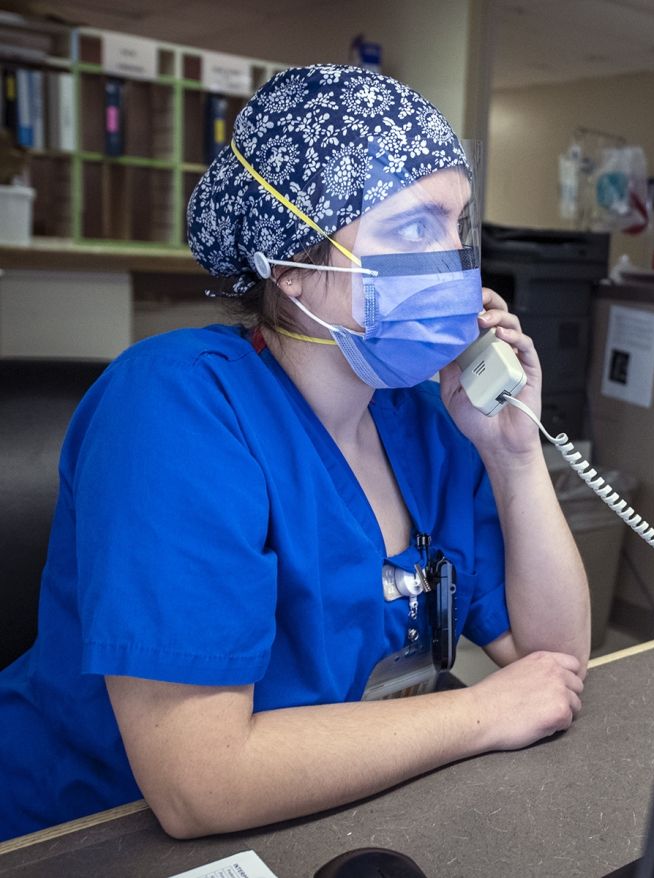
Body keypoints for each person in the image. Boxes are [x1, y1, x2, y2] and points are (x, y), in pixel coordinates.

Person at [0, 64, 590, 843]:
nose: (455, 263)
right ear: (292, 268)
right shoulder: (175, 408)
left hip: (315, 818)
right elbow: (201, 784)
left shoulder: (426, 419)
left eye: (459, 228)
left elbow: (553, 666)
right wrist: (480, 713)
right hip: (83, 839)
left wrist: (514, 458)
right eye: (416, 229)